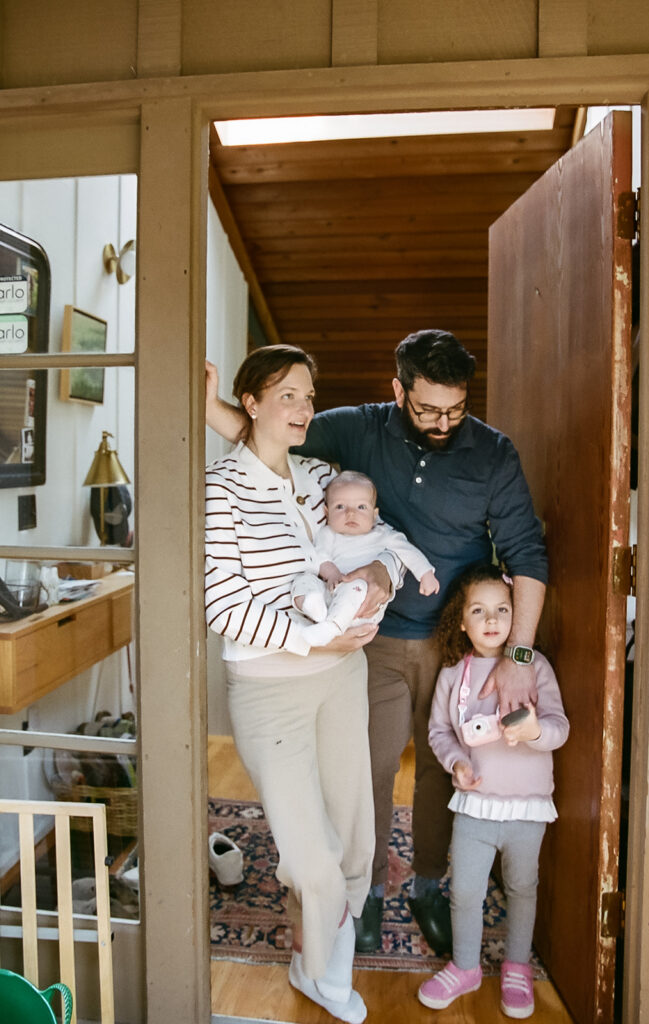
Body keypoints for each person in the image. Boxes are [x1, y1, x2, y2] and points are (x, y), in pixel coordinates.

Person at [205, 329, 548, 957]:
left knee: (446, 771)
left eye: (456, 408)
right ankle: (363, 895)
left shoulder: (493, 454)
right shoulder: (359, 428)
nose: (443, 422)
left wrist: (519, 656)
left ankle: (425, 887)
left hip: (455, 648)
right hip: (376, 644)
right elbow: (271, 439)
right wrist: (204, 402)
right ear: (398, 391)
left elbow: (527, 552)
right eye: (427, 409)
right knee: (370, 769)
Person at [205, 344, 401, 1024]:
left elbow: (379, 537)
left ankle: (316, 965)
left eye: (309, 395)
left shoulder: (320, 478)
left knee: (352, 839)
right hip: (267, 689)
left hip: (342, 679)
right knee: (310, 854)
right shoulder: (218, 490)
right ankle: (324, 964)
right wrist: (315, 635)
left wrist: (380, 578)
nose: (304, 407)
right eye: (286, 394)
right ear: (250, 402)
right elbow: (222, 605)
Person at [419, 564, 568, 1018]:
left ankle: (517, 967)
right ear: (461, 621)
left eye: (503, 610)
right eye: (479, 611)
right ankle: (465, 967)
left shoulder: (536, 667)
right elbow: (439, 732)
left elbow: (559, 729)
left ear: (516, 616)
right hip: (474, 807)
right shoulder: (453, 673)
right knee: (465, 891)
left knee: (523, 888)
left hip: (527, 807)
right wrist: (456, 762)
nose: (491, 620)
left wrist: (532, 733)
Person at [292, 469, 439, 647]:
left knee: (358, 586)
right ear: (326, 511)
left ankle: (330, 628)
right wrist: (332, 574)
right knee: (303, 579)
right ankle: (313, 608)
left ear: (374, 514)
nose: (351, 513)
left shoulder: (383, 534)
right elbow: (319, 556)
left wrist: (425, 573)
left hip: (363, 605)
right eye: (340, 506)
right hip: (331, 588)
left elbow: (407, 550)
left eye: (361, 507)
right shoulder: (328, 533)